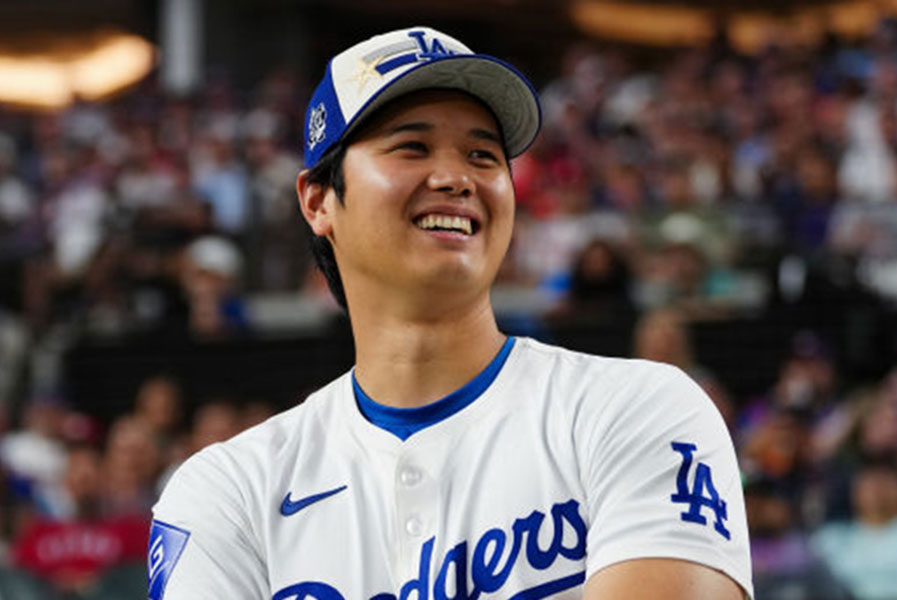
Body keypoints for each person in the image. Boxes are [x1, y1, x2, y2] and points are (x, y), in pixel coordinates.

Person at [149, 27, 753, 599]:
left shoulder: (636, 410)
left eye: (483, 156)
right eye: (412, 147)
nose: (456, 177)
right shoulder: (227, 492)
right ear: (317, 200)